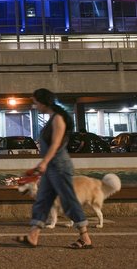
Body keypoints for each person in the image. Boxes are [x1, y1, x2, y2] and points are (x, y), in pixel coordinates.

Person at [16, 88, 94, 250]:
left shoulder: (58, 119)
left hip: (59, 166)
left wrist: (43, 163)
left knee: (68, 200)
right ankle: (33, 235)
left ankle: (85, 237)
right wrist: (42, 165)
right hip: (51, 166)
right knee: (43, 200)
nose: (35, 106)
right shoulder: (53, 118)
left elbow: (56, 144)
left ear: (43, 102)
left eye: (36, 102)